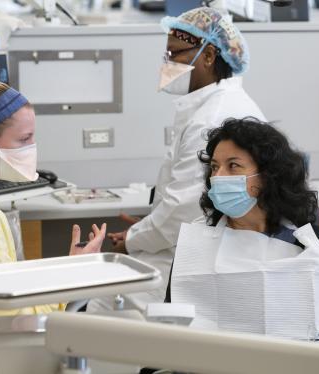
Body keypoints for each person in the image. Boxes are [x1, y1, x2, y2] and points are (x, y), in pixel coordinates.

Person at [165, 117, 319, 351]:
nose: (218, 177)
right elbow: (169, 330)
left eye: (233, 166)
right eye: (215, 167)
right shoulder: (195, 245)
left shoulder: (309, 240)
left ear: (267, 177)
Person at [90, 7, 265, 313]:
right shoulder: (211, 105)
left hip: (199, 258)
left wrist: (135, 239)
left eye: (175, 54)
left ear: (209, 56)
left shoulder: (213, 117)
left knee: (103, 306)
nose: (168, 63)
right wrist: (145, 230)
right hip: (193, 245)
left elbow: (184, 209)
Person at [0, 81, 105, 321]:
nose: (31, 148)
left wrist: (68, 268)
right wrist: (73, 275)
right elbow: (3, 317)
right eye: (24, 139)